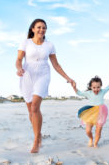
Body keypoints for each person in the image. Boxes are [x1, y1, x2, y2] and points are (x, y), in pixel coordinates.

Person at [15, 18, 75, 153]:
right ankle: (39, 133)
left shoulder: (49, 45)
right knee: (31, 110)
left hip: (43, 75)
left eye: (44, 27)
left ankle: (36, 139)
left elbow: (56, 65)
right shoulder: (25, 43)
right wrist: (19, 69)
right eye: (39, 27)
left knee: (35, 106)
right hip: (27, 75)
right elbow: (19, 60)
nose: (41, 30)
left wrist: (68, 78)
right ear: (33, 29)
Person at [71, 76, 109, 147]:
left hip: (101, 113)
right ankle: (91, 138)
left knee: (98, 131)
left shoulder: (102, 91)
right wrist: (74, 87)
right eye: (94, 87)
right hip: (91, 113)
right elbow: (79, 93)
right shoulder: (89, 93)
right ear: (91, 87)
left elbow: (108, 87)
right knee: (88, 130)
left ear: (100, 86)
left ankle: (95, 143)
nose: (96, 89)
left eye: (98, 87)